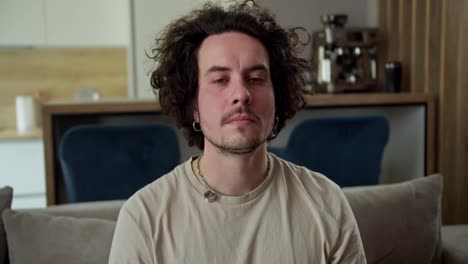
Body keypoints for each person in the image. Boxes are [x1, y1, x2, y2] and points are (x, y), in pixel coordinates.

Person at [109, 1, 366, 263]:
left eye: (255, 79)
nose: (241, 94)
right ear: (193, 105)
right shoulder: (144, 218)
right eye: (220, 80)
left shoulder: (327, 204)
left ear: (277, 95)